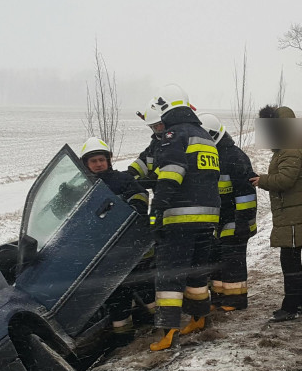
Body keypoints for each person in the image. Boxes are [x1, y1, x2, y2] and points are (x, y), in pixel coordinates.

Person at [147, 84, 221, 351]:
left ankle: (168, 333)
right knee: (196, 272)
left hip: (179, 218)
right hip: (207, 218)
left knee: (169, 275)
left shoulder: (173, 134)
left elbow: (171, 174)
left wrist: (158, 209)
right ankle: (200, 318)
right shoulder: (204, 135)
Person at [80, 137, 151, 336]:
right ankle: (123, 335)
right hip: (103, 251)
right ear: (86, 164)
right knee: (116, 293)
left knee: (144, 284)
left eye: (101, 159)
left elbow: (141, 195)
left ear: (108, 160)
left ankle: (157, 322)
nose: (98, 164)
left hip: (129, 245)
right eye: (93, 161)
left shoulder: (122, 179)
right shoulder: (82, 187)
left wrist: (134, 209)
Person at [198, 113, 257, 311]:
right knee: (216, 257)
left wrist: (243, 221)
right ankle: (219, 298)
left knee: (233, 260)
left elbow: (246, 193)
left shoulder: (234, 157)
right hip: (220, 219)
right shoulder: (213, 156)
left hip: (237, 218)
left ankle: (236, 300)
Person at [250, 105, 302, 322]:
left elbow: (285, 180)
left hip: (293, 216)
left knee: (290, 262)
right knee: (292, 261)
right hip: (291, 215)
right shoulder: (288, 147)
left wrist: (262, 180)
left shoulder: (291, 148)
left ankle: (291, 307)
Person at [129, 100, 165, 190]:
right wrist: (130, 174)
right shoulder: (155, 144)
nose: (159, 129)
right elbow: (143, 161)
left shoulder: (176, 142)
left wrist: (152, 179)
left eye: (161, 124)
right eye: (155, 126)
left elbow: (171, 164)